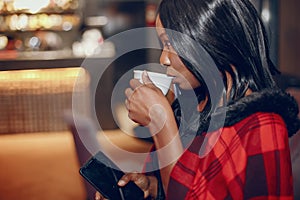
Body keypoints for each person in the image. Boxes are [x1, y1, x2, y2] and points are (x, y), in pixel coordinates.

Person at [95, 0, 300, 199]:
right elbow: (192, 186)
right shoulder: (196, 111)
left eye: (169, 42)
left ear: (212, 39)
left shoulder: (261, 124)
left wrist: (161, 122)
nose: (163, 58)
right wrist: (154, 187)